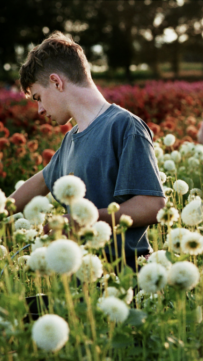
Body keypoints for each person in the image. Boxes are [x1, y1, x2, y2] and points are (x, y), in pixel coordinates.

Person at [10, 32, 166, 270]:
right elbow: (39, 182)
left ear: (56, 82)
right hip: (81, 280)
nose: (40, 110)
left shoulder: (124, 126)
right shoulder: (70, 140)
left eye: (38, 97)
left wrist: (83, 219)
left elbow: (152, 206)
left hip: (124, 277)